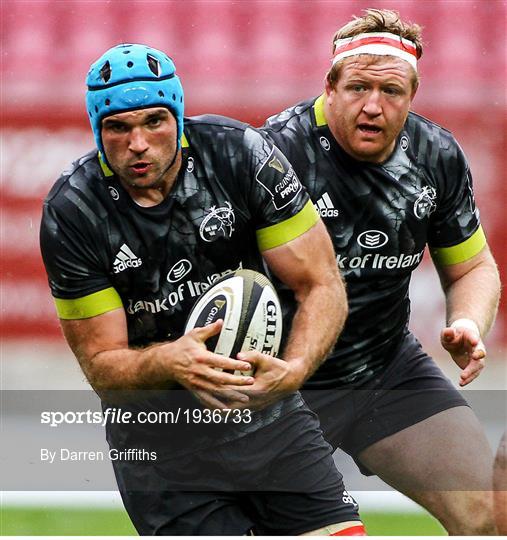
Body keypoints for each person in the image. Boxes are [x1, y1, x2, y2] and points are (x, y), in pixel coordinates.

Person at [39, 43, 366, 536]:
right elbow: (102, 365)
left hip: (270, 420)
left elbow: (321, 284)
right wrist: (170, 361)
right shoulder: (75, 212)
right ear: (96, 129)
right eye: (118, 127)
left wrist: (294, 371)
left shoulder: (239, 154)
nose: (139, 143)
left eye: (155, 121)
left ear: (178, 114)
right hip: (162, 450)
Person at [262, 9, 501, 535]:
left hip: (384, 368)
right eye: (358, 87)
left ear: (413, 95)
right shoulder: (274, 155)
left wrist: (467, 324)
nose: (373, 106)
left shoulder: (435, 156)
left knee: (491, 515)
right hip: (286, 384)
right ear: (330, 86)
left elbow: (474, 268)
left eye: (391, 91)